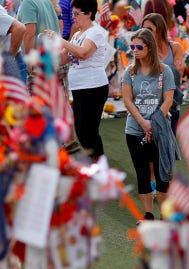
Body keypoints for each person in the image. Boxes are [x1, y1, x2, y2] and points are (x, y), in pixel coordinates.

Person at [121, 29, 176, 222]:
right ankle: (148, 215)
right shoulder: (130, 71)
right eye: (132, 46)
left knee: (162, 175)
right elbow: (127, 100)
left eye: (138, 47)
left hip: (160, 130)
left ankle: (164, 216)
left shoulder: (164, 71)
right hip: (135, 130)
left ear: (149, 47)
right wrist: (143, 122)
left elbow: (169, 99)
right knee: (142, 173)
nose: (134, 50)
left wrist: (154, 122)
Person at [44, 0, 110, 161]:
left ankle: (99, 164)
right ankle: (96, 163)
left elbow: (83, 53)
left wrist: (60, 40)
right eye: (73, 13)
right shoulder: (77, 35)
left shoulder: (95, 32)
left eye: (77, 14)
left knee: (89, 130)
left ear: (89, 14)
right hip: (80, 87)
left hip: (94, 86)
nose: (73, 17)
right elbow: (64, 58)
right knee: (81, 130)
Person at [141, 13, 184, 134]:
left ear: (159, 30)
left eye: (149, 29)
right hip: (149, 105)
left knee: (170, 142)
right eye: (143, 29)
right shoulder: (142, 50)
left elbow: (178, 73)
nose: (145, 32)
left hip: (171, 104)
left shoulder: (175, 47)